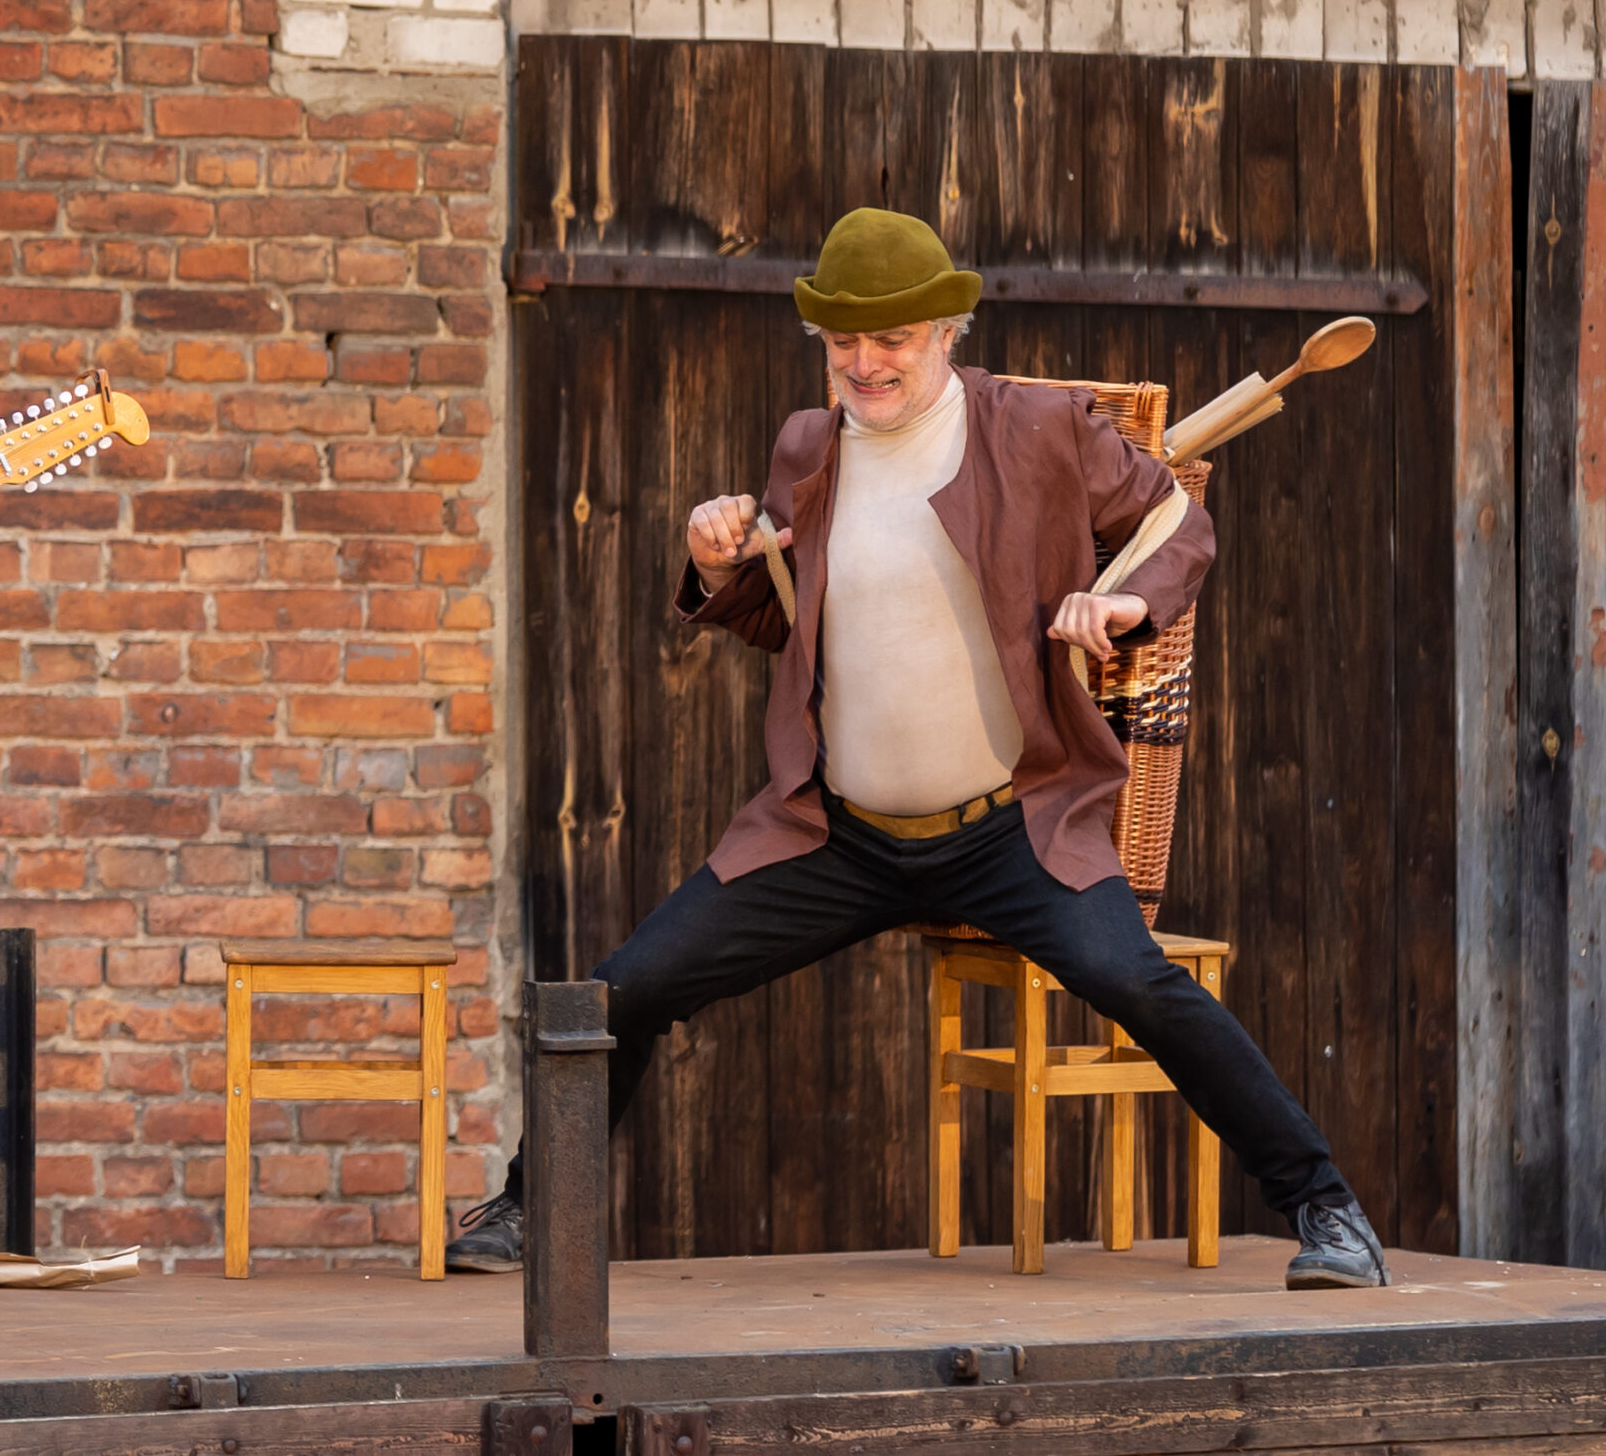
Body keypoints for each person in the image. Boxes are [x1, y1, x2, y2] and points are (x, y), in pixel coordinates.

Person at [447, 207, 1388, 1292]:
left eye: (890, 338)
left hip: (1010, 826)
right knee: (625, 986)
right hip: (833, 832)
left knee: (1141, 986)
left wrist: (1118, 601)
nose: (864, 361)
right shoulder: (808, 446)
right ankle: (531, 1210)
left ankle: (1325, 1209)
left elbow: (1177, 522)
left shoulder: (1038, 427)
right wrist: (717, 568)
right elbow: (783, 620)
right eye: (843, 341)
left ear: (948, 329)